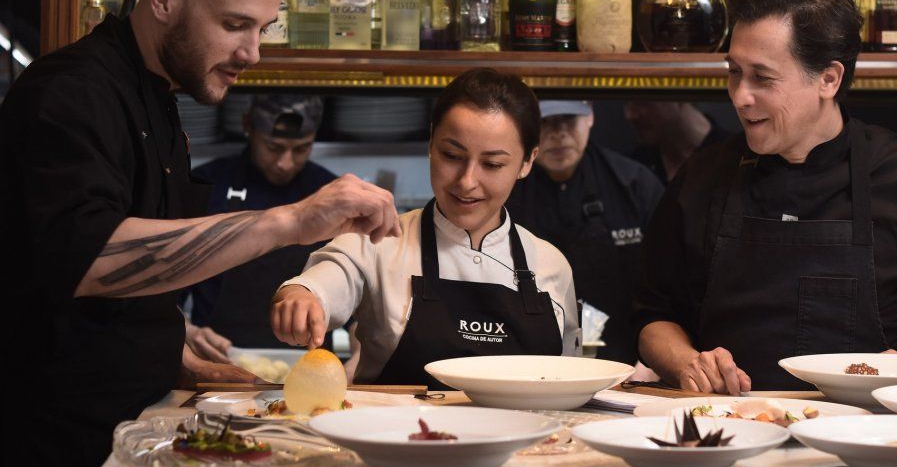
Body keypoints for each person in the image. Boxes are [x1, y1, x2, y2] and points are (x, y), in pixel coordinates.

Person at [0, 0, 399, 467]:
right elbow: (85, 258)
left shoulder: (160, 100)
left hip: (134, 430)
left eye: (262, 28)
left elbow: (127, 279)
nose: (253, 53)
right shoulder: (69, 95)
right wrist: (287, 221)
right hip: (58, 456)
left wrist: (172, 347)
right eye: (236, 24)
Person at [634, 0, 897, 395]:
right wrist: (687, 363)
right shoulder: (702, 177)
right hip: (730, 430)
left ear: (829, 79)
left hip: (871, 440)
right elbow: (652, 315)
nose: (740, 96)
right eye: (735, 72)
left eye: (763, 77)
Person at [271, 69, 582, 386]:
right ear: (431, 142)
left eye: (492, 164)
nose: (466, 181)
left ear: (527, 162)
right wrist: (303, 297)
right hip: (399, 433)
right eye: (452, 155)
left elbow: (569, 381)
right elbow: (324, 282)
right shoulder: (378, 240)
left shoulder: (550, 264)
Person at [506, 100, 664, 365]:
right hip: (529, 362)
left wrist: (650, 362)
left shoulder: (634, 184)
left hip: (627, 363)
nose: (558, 133)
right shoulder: (506, 190)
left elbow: (666, 285)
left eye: (568, 119)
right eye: (546, 122)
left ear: (590, 115)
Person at [182, 94, 337, 358]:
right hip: (218, 359)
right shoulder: (205, 186)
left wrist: (361, 351)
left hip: (309, 364)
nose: (285, 163)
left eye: (301, 149)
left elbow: (357, 288)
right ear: (248, 127)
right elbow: (163, 294)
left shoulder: (330, 194)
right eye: (273, 147)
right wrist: (186, 331)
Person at [624, 101, 729, 184]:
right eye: (627, 102)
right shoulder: (636, 167)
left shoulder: (735, 161)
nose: (630, 115)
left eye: (643, 102)